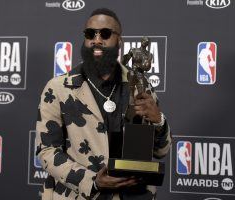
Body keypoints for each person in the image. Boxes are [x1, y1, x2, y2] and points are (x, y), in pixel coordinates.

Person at [35, 8, 171, 200]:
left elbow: (161, 151)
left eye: (105, 33)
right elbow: (47, 151)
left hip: (135, 195)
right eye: (91, 33)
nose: (96, 40)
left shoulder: (140, 85)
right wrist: (92, 181)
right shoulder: (58, 88)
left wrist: (159, 120)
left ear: (119, 41)